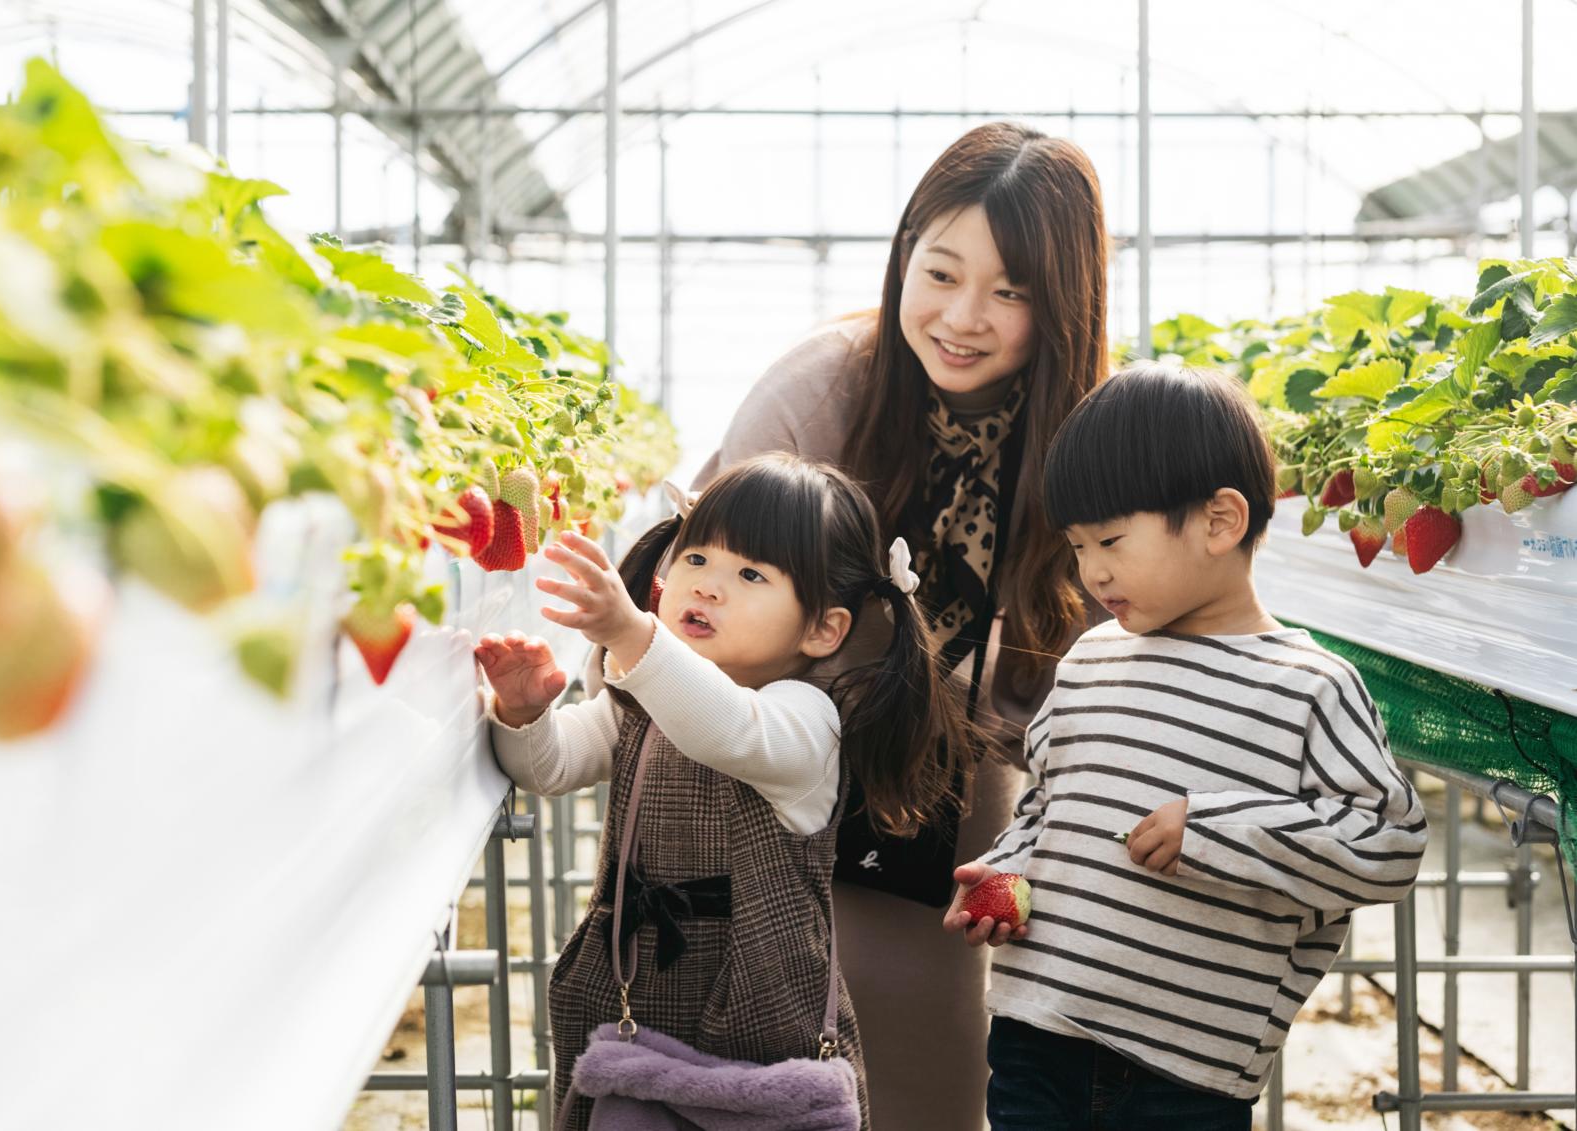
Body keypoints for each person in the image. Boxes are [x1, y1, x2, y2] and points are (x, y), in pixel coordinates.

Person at [694, 120, 1111, 1125]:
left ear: (1061, 304)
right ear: (901, 257)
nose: (962, 317)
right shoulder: (822, 390)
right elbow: (692, 600)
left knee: (925, 1077)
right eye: (939, 272)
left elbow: (1107, 647)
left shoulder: (1083, 436)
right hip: (765, 760)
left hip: (945, 789)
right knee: (751, 1062)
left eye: (1010, 292)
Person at [944, 363, 1429, 1129]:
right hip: (1036, 1030)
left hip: (1184, 1070)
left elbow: (1391, 842)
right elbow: (1048, 804)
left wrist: (1214, 832)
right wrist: (1006, 869)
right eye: (1076, 546)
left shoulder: (1309, 686)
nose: (1092, 569)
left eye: (1110, 539)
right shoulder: (1091, 660)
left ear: (1219, 521)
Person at [476, 454, 977, 1131]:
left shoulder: (806, 721)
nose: (708, 587)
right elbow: (552, 766)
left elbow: (728, 731)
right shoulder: (637, 700)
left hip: (756, 1031)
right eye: (697, 558)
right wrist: (523, 714)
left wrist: (631, 633)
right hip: (631, 1005)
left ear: (823, 628)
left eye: (749, 574)